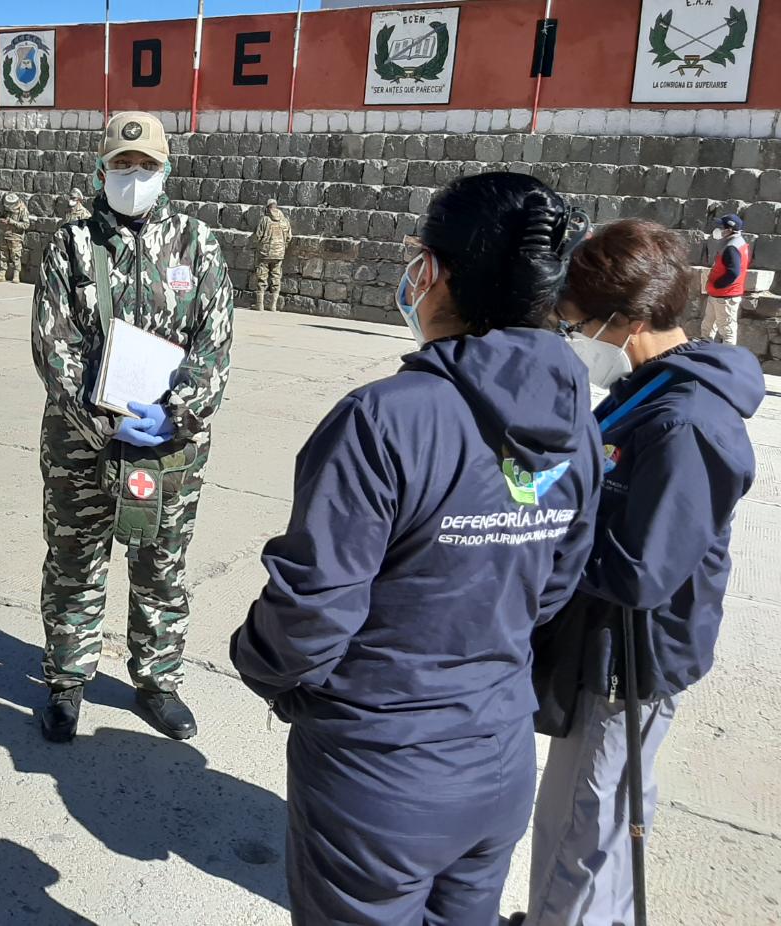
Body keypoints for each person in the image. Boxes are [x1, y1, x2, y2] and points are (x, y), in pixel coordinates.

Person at [230, 172, 603, 926]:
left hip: (380, 770)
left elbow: (311, 611)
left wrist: (262, 664)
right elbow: (557, 583)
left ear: (433, 273)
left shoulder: (386, 420)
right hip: (497, 758)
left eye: (417, 259)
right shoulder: (580, 421)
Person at [515, 219, 763, 926]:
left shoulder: (685, 421)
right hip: (598, 645)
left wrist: (535, 532)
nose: (574, 339)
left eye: (576, 324)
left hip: (629, 658)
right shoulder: (645, 390)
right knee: (587, 814)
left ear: (624, 320)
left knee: (585, 831)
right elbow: (592, 477)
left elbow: (641, 571)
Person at [32, 111, 233, 743]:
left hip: (170, 444)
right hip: (81, 441)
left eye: (146, 166)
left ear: (166, 170)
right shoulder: (70, 244)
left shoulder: (198, 244)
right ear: (101, 168)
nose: (133, 176)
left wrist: (176, 415)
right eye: (122, 165)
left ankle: (157, 680)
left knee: (161, 562)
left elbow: (215, 343)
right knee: (74, 559)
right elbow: (52, 344)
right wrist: (102, 422)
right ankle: (67, 680)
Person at [701, 213, 749, 346]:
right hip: (718, 294)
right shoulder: (733, 243)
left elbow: (734, 272)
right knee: (708, 326)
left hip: (725, 295)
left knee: (727, 331)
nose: (718, 229)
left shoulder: (732, 248)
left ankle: (728, 359)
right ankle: (704, 351)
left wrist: (717, 284)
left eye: (721, 227)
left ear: (729, 230)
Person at [252, 197, 292, 312]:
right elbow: (289, 237)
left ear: (267, 207)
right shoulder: (284, 220)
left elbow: (257, 236)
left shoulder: (264, 220)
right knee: (276, 277)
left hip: (264, 253)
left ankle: (260, 305)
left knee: (262, 278)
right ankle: (273, 305)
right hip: (279, 253)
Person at [0, 191, 30, 282]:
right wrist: (2, 220)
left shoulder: (22, 210)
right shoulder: (5, 208)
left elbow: (26, 225)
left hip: (16, 236)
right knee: (3, 255)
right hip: (5, 234)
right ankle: (2, 274)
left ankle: (16, 275)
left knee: (16, 256)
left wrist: (12, 222)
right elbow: (0, 216)